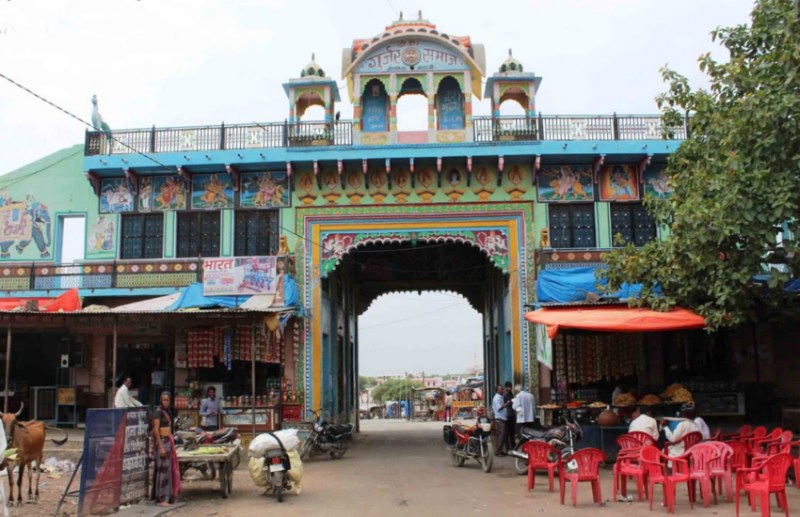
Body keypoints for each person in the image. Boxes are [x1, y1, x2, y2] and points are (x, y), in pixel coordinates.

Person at [150, 392, 181, 506]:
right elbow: (155, 430)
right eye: (164, 400)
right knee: (163, 471)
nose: (166, 402)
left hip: (169, 441)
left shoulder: (168, 412)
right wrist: (161, 447)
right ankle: (161, 498)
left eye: (167, 400)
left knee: (169, 471)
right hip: (162, 442)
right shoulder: (158, 412)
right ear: (161, 400)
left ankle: (168, 496)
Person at [491, 385, 508, 456]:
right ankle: (498, 451)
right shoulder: (496, 398)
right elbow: (499, 408)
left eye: (503, 389)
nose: (503, 390)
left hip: (503, 418)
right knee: (500, 436)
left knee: (502, 436)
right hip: (499, 419)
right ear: (497, 390)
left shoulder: (500, 397)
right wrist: (506, 404)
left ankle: (500, 450)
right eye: (501, 389)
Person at [503, 382, 516, 450]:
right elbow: (503, 405)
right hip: (507, 416)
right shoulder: (504, 396)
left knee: (512, 432)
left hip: (512, 415)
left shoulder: (511, 394)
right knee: (507, 433)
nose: (509, 388)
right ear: (506, 387)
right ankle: (507, 448)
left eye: (510, 387)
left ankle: (513, 446)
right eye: (508, 387)